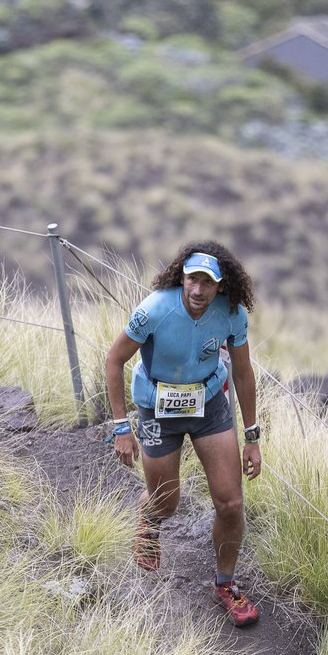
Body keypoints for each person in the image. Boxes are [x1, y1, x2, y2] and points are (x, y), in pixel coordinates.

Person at [104, 240, 263, 627]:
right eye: (192, 279)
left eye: (207, 283)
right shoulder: (155, 309)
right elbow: (114, 360)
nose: (198, 290)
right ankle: (149, 517)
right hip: (157, 407)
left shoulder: (231, 312)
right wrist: (121, 427)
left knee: (230, 503)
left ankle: (226, 584)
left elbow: (243, 373)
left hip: (208, 405)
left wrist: (252, 437)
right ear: (182, 277)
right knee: (166, 503)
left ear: (220, 285)